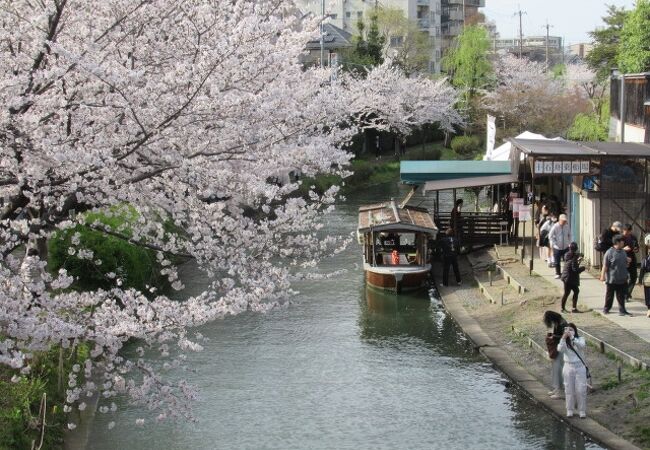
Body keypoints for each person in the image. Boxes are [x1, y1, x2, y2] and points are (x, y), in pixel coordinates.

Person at [557, 323, 588, 418]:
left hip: (579, 367)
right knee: (569, 389)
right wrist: (563, 338)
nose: (569, 331)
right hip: (568, 366)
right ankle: (569, 409)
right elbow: (560, 349)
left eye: (571, 329)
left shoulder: (580, 339)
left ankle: (582, 410)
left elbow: (582, 346)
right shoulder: (564, 342)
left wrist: (573, 338)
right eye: (567, 329)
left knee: (581, 389)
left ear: (575, 330)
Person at [600, 234, 632, 316]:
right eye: (622, 241)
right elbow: (605, 265)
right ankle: (606, 308)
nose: (623, 242)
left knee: (621, 296)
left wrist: (628, 262)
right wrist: (602, 276)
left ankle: (622, 310)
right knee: (609, 296)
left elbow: (625, 264)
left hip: (622, 278)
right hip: (612, 279)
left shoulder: (623, 252)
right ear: (617, 242)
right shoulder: (609, 252)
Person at [543, 311, 568, 399]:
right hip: (559, 348)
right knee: (555, 369)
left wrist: (553, 337)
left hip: (561, 350)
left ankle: (559, 392)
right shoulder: (559, 321)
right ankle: (556, 388)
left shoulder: (562, 323)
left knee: (558, 370)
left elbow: (565, 336)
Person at [560, 242, 585, 313]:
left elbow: (572, 265)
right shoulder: (573, 257)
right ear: (576, 249)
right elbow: (575, 270)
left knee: (572, 292)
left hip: (566, 277)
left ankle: (569, 308)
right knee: (569, 292)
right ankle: (567, 308)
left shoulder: (568, 255)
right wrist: (583, 268)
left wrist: (578, 261)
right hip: (569, 278)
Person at [549, 214, 571, 278]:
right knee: (557, 261)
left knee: (567, 261)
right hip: (557, 247)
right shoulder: (555, 226)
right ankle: (558, 273)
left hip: (566, 247)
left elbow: (570, 234)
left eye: (565, 221)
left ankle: (566, 273)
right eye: (563, 221)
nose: (564, 222)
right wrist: (554, 243)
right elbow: (550, 236)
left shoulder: (567, 226)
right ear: (559, 220)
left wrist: (569, 242)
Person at [622, 224, 639, 300]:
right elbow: (613, 249)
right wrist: (623, 249)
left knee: (634, 277)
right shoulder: (619, 238)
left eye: (628, 231)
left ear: (630, 231)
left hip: (632, 259)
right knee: (624, 278)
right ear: (623, 230)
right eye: (625, 231)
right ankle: (625, 294)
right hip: (622, 260)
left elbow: (637, 248)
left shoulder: (633, 238)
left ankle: (627, 293)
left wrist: (636, 249)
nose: (627, 233)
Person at [638, 233, 650, 318]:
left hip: (647, 279)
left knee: (648, 294)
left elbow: (642, 269)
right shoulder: (645, 259)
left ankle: (649, 309)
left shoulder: (645, 259)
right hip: (647, 279)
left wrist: (639, 280)